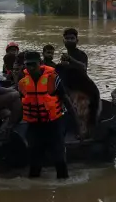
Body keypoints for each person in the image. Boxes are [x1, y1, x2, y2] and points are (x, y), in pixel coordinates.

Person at [18, 51, 77, 179]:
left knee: (59, 160)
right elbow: (21, 105)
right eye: (28, 65)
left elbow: (66, 100)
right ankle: (35, 189)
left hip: (53, 124)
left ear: (40, 63)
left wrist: (76, 123)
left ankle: (64, 187)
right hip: (34, 126)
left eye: (33, 64)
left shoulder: (53, 79)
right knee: (34, 163)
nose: (31, 68)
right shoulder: (23, 82)